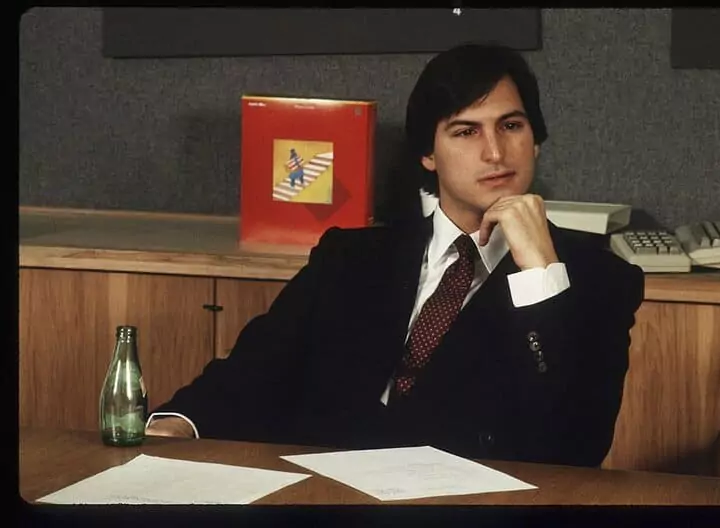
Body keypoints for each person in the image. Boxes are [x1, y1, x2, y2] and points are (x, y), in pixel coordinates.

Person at [145, 42, 644, 467]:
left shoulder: (599, 279)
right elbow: (257, 366)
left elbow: (577, 445)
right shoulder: (351, 257)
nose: (494, 152)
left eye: (511, 126)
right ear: (428, 154)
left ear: (535, 141)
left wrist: (541, 273)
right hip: (323, 494)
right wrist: (178, 422)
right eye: (465, 131)